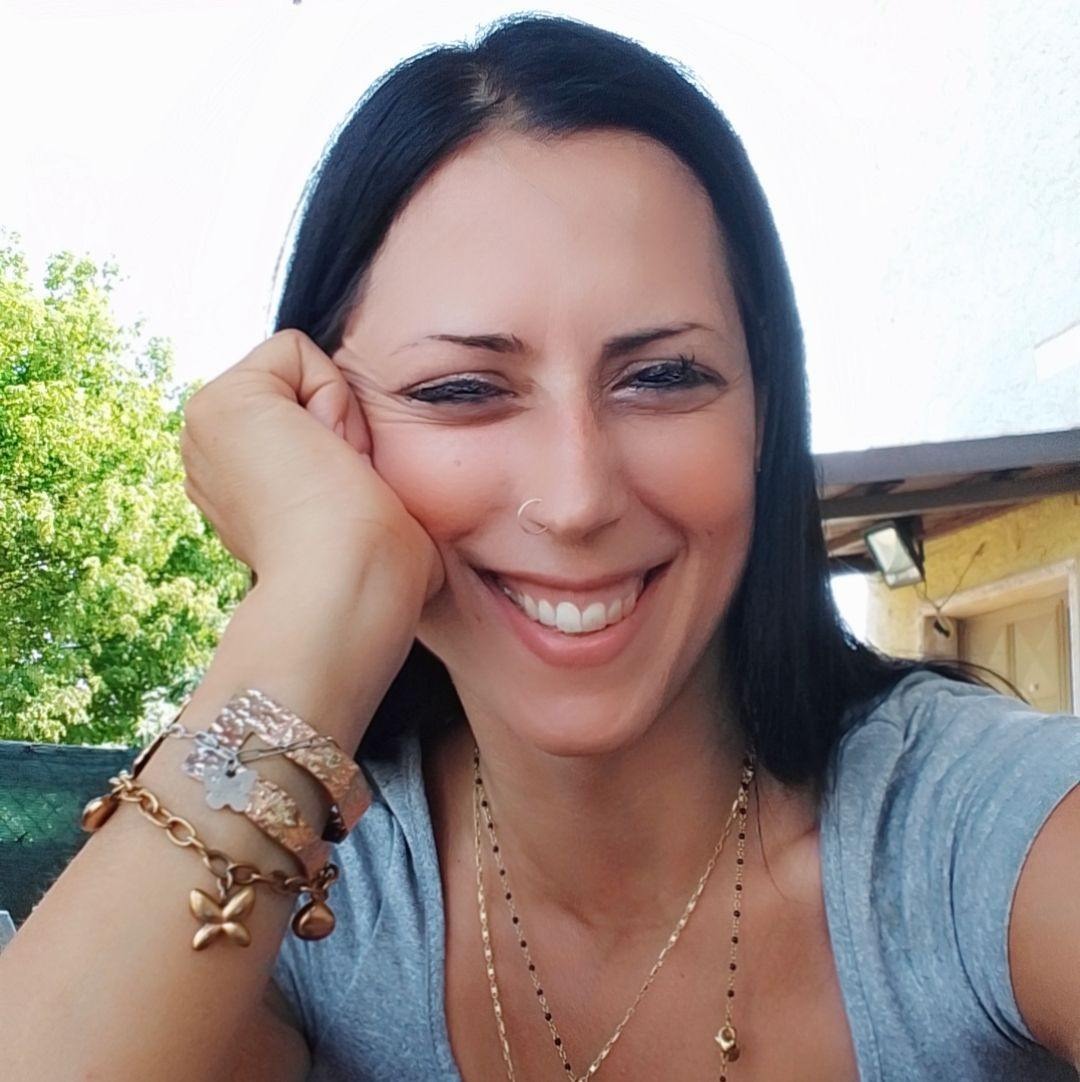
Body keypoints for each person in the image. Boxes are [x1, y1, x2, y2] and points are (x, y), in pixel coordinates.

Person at [1, 12, 1078, 1081]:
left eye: (663, 376)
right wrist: (323, 589)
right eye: (460, 390)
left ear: (763, 410)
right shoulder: (308, 892)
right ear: (327, 429)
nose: (575, 498)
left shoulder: (978, 836)